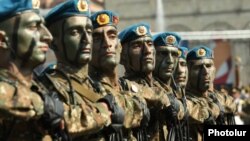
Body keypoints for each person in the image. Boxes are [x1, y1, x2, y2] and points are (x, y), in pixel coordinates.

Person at [40, 1, 125, 140]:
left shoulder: (95, 87)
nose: (86, 39)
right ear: (54, 43)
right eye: (75, 32)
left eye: (89, 31)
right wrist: (103, 112)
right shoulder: (48, 89)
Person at [0, 0, 64, 140]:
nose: (48, 36)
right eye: (34, 27)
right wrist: (40, 104)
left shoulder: (38, 87)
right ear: (2, 39)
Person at [89, 10, 150, 141]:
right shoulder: (87, 87)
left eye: (112, 36)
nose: (107, 43)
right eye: (97, 38)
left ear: (120, 47)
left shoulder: (126, 87)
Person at [119, 23, 175, 141]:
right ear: (122, 55)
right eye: (137, 45)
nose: (147, 51)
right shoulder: (122, 88)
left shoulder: (163, 87)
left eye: (150, 44)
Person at [152, 32, 187, 141]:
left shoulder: (176, 91)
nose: (170, 61)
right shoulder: (145, 87)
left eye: (174, 54)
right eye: (163, 53)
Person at [185, 45, 220, 141]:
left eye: (209, 66)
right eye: (198, 67)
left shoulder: (215, 99)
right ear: (187, 71)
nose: (205, 72)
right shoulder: (184, 101)